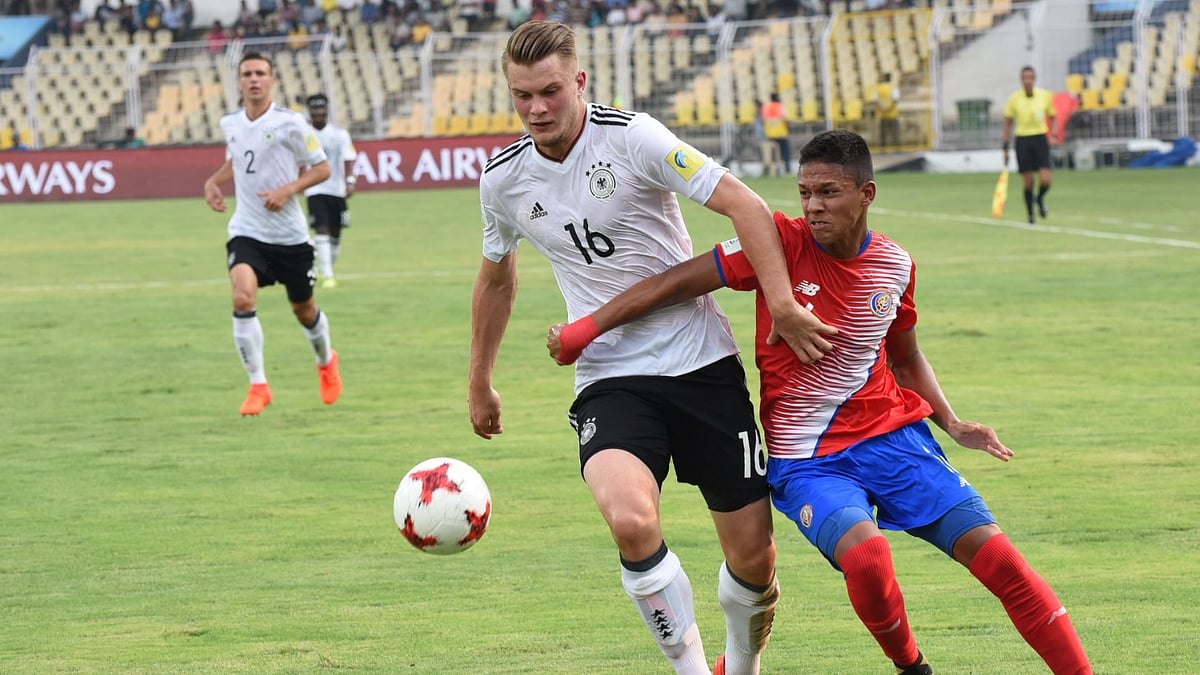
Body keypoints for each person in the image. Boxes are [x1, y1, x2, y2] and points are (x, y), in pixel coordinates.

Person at [549, 129, 1093, 675]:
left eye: (829, 192)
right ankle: (912, 667)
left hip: (895, 441)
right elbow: (676, 282)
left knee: (1004, 562)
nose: (812, 206)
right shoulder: (777, 245)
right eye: (805, 192)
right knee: (867, 555)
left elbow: (905, 357)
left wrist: (950, 422)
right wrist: (587, 329)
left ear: (867, 194)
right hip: (809, 459)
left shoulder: (895, 265)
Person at [468, 20, 834, 675]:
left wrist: (781, 302)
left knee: (756, 558)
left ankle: (741, 666)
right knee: (632, 521)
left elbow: (746, 206)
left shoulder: (633, 138)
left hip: (701, 362)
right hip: (610, 376)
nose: (536, 108)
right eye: (522, 95)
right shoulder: (503, 181)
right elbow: (496, 274)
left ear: (578, 81)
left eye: (550, 91)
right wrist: (480, 379)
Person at [203, 52, 343, 416]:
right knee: (242, 298)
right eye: (247, 73)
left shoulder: (291, 124)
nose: (253, 79)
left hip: (290, 237)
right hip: (247, 230)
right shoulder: (230, 123)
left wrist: (288, 190)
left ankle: (326, 361)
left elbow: (323, 168)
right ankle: (258, 385)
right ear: (240, 80)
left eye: (260, 73)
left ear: (272, 81)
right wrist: (213, 182)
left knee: (304, 309)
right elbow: (238, 160)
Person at [302, 93, 358, 288]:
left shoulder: (339, 134)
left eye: (321, 108)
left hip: (336, 190)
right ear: (309, 111)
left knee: (336, 234)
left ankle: (326, 269)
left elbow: (349, 157)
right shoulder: (304, 134)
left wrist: (350, 180)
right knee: (321, 230)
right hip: (314, 189)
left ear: (326, 109)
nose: (318, 112)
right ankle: (328, 275)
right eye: (314, 108)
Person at [1002, 66, 1056, 224]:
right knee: (1028, 181)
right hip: (1023, 140)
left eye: (1030, 77)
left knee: (1046, 179)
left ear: (1034, 78)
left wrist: (1052, 134)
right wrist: (1005, 146)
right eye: (1025, 77)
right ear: (1021, 79)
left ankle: (1039, 199)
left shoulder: (1045, 96)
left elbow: (1053, 116)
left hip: (1040, 139)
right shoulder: (1014, 99)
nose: (1028, 80)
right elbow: (1008, 123)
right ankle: (1030, 214)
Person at [760, 93, 791, 176]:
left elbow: (763, 120)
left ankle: (770, 170)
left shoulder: (766, 107)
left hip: (770, 134)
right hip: (781, 134)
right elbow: (786, 118)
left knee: (772, 154)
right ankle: (787, 169)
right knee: (785, 152)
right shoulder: (780, 106)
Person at [876, 72, 901, 149]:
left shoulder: (879, 88)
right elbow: (895, 100)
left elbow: (876, 101)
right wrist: (888, 110)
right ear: (890, 78)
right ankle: (897, 149)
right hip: (893, 113)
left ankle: (883, 149)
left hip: (882, 113)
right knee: (894, 133)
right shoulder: (893, 87)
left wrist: (882, 110)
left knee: (883, 133)